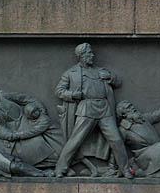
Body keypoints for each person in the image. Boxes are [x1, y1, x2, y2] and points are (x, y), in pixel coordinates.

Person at [54, 42, 132, 178]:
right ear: (81, 56)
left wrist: (110, 77)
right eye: (89, 53)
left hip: (104, 108)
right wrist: (73, 95)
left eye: (91, 52)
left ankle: (125, 169)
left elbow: (118, 82)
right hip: (86, 108)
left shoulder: (101, 70)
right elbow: (59, 91)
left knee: (116, 140)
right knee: (75, 140)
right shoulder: (71, 73)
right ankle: (60, 168)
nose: (92, 55)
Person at [0, 85, 62, 168]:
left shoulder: (2, 95)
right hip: (11, 132)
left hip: (25, 120)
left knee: (40, 142)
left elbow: (24, 98)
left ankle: (59, 160)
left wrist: (41, 109)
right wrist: (9, 135)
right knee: (27, 150)